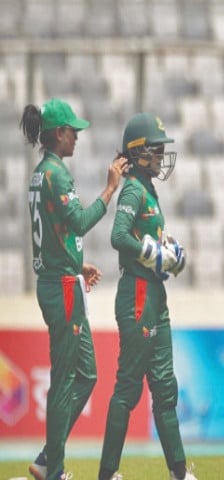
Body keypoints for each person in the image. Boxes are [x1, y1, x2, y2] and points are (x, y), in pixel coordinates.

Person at [22, 98, 125, 480]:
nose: (77, 137)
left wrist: (73, 262)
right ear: (58, 134)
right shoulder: (56, 175)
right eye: (73, 131)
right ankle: (55, 470)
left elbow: (51, 232)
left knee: (86, 374)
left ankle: (49, 458)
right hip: (61, 288)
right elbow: (79, 222)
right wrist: (110, 190)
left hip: (59, 278)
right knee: (66, 380)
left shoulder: (39, 174)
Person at [98, 112, 195, 480]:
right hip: (137, 295)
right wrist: (155, 255)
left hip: (154, 295)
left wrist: (170, 252)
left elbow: (145, 238)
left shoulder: (149, 190)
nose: (160, 156)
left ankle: (180, 472)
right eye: (155, 150)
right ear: (137, 153)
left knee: (165, 387)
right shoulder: (134, 190)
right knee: (128, 387)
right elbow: (119, 237)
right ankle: (107, 474)